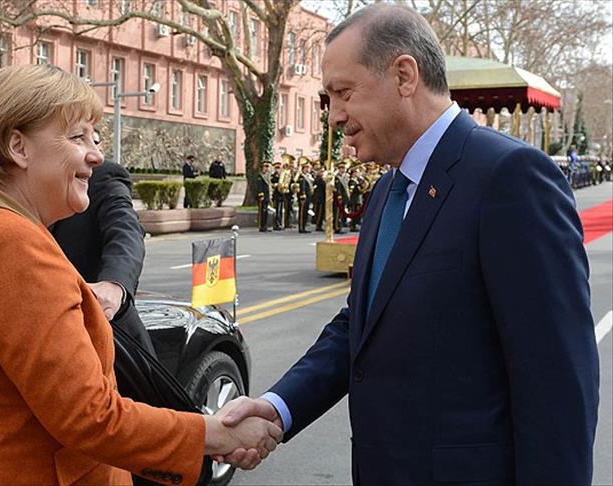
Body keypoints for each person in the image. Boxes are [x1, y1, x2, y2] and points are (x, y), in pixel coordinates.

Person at [217, 5, 599, 484]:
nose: (334, 117)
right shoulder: (387, 190)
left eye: (344, 93)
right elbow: (361, 325)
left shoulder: (509, 177)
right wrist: (279, 407)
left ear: (404, 75)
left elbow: (557, 383)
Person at [0, 64, 281, 485]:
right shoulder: (11, 245)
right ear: (18, 147)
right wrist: (217, 433)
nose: (97, 155)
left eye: (95, 137)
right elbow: (90, 417)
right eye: (77, 137)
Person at [0, 159, 155, 354]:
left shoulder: (100, 177)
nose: (94, 154)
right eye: (77, 137)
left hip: (107, 342)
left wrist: (113, 285)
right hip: (24, 348)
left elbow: (126, 232)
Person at [255, 161, 272, 232]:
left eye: (267, 167)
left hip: (267, 196)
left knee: (266, 212)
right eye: (265, 167)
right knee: (262, 212)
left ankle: (265, 226)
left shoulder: (267, 176)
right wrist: (261, 195)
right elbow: (259, 187)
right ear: (262, 168)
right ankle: (261, 226)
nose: (266, 168)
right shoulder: (260, 176)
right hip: (262, 196)